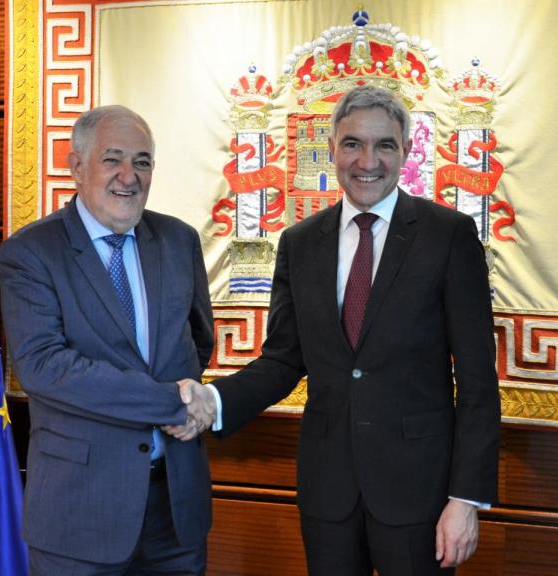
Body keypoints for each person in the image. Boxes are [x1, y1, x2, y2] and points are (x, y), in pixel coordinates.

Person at [169, 86, 500, 575]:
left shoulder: (448, 235)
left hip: (420, 495)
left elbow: (477, 379)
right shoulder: (301, 242)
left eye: (385, 145)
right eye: (353, 144)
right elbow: (283, 360)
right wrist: (214, 403)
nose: (368, 160)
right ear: (332, 150)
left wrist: (465, 499)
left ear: (406, 153)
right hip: (328, 491)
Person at [0, 105, 215, 575]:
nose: (128, 176)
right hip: (80, 512)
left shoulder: (179, 240)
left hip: (175, 511)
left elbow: (197, 343)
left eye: (142, 161)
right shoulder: (31, 253)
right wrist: (170, 403)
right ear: (77, 167)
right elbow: (45, 368)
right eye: (112, 159)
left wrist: (182, 397)